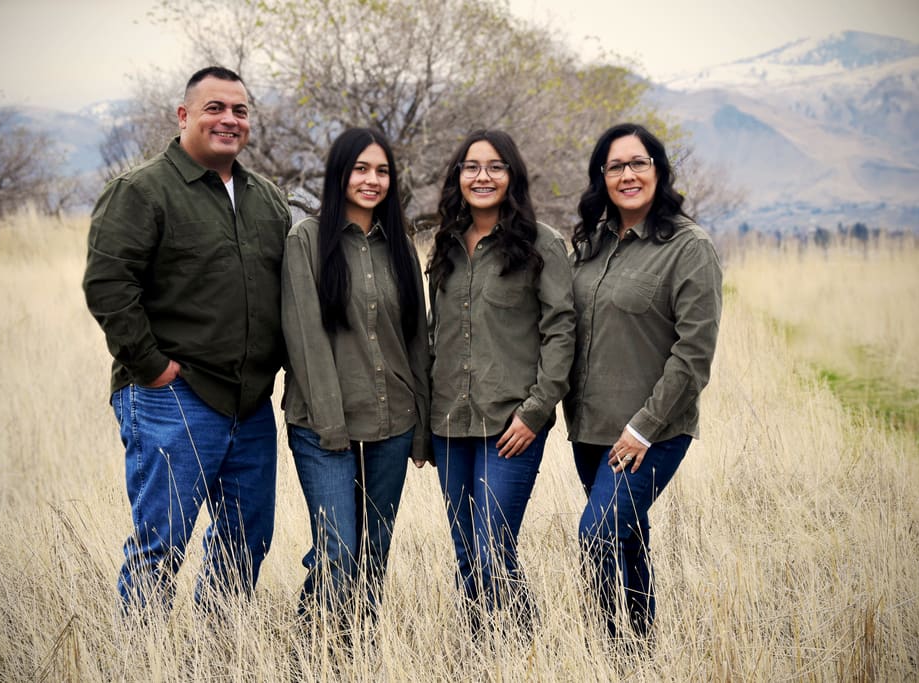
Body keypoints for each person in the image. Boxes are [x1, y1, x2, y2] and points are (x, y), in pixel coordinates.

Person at [83, 66, 291, 612]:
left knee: (245, 545)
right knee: (161, 549)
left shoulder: (266, 199)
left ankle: (216, 658)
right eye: (215, 108)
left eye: (240, 111)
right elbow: (108, 286)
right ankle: (140, 661)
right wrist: (151, 368)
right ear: (183, 116)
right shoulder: (140, 191)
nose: (229, 120)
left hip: (249, 406)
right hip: (172, 398)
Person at [564, 123, 722, 644]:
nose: (628, 174)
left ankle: (611, 648)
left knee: (598, 536)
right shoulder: (591, 245)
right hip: (591, 429)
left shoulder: (688, 246)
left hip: (650, 433)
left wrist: (644, 428)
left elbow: (694, 353)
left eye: (639, 163)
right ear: (601, 177)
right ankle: (639, 654)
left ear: (658, 170)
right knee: (627, 540)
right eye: (615, 166)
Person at [426, 129, 575, 634]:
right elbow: (434, 333)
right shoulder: (444, 245)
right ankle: (481, 652)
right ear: (458, 177)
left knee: (494, 549)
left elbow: (561, 332)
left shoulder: (543, 245)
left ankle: (524, 649)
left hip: (511, 424)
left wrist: (536, 410)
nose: (482, 176)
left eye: (495, 166)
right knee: (467, 555)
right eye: (471, 167)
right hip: (448, 423)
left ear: (512, 176)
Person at [281, 128, 431, 628]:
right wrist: (331, 425)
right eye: (361, 169)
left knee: (374, 553)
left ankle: (358, 654)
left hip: (393, 420)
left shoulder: (400, 245)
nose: (372, 180)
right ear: (339, 174)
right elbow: (306, 338)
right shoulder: (307, 240)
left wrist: (422, 426)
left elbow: (415, 338)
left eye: (382, 171)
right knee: (337, 551)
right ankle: (309, 653)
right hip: (325, 425)